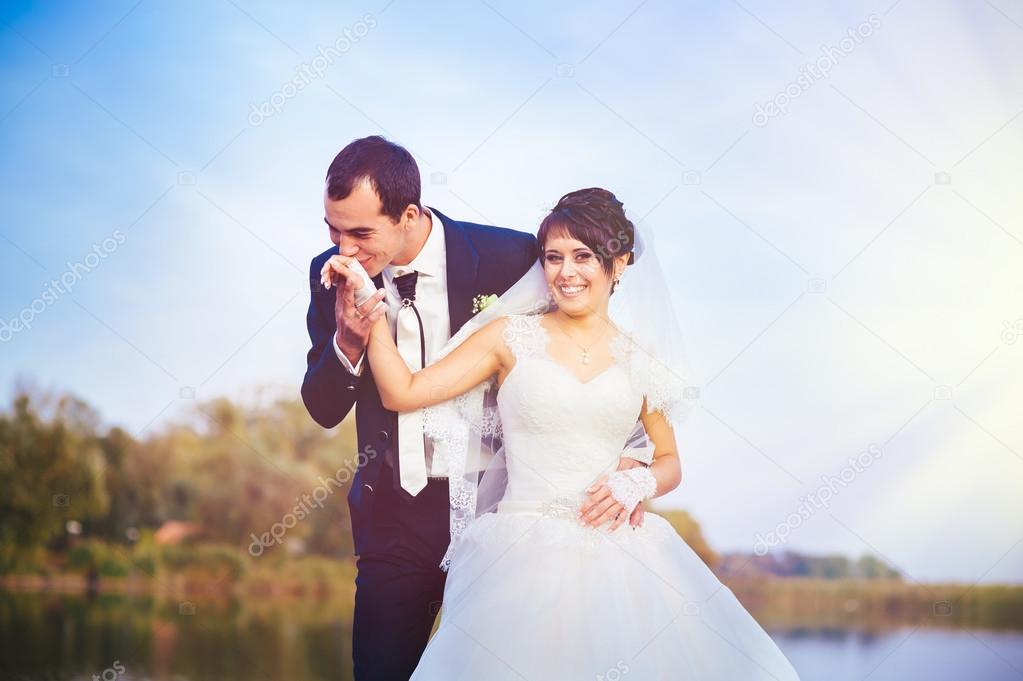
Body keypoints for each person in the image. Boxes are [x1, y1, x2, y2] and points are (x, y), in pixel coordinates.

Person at [323, 187, 803, 679]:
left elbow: (668, 460)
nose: (565, 273)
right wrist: (366, 304)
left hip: (619, 556)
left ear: (618, 265)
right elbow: (402, 392)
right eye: (553, 257)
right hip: (518, 552)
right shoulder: (509, 337)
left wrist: (635, 483)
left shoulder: (641, 359)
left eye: (583, 257)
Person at [302, 138, 650, 681]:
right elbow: (322, 408)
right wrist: (349, 341)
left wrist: (634, 457)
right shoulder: (329, 276)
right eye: (332, 228)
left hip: (510, 519)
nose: (342, 248)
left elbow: (592, 353)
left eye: (361, 233)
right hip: (394, 520)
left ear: (408, 214)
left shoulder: (512, 259)